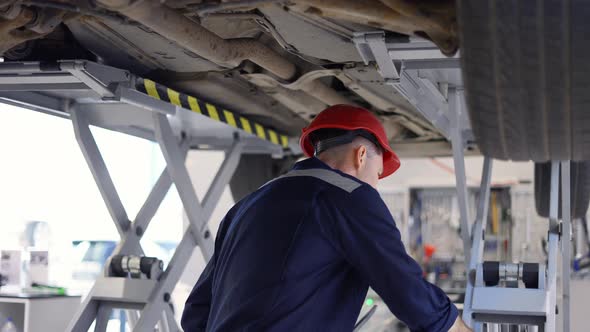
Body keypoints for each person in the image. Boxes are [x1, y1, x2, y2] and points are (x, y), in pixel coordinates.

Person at [182, 105, 472, 331]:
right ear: (361, 156)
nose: (376, 185)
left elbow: (196, 313)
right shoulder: (351, 197)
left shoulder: (246, 206)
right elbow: (406, 288)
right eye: (378, 174)